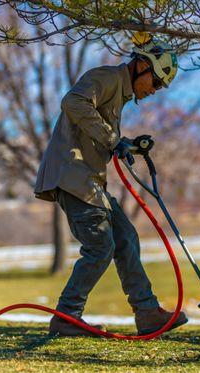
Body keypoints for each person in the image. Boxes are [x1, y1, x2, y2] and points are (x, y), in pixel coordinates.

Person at [34, 37, 188, 336]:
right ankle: (66, 318)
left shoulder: (120, 93)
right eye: (155, 82)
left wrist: (125, 143)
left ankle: (147, 313)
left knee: (125, 237)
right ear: (142, 66)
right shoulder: (106, 77)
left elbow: (99, 131)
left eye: (159, 87)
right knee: (100, 246)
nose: (154, 90)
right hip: (73, 176)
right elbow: (73, 102)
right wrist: (112, 139)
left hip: (89, 179)